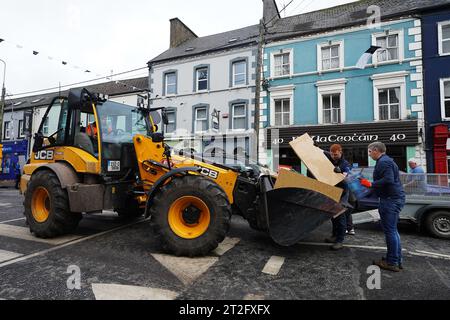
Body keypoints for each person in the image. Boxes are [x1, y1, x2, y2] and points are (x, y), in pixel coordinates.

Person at [360, 142, 405, 272]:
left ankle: (392, 262)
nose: (369, 154)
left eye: (369, 151)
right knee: (393, 231)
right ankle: (396, 259)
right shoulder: (386, 161)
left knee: (390, 231)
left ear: (375, 150)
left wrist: (370, 184)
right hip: (393, 198)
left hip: (390, 200)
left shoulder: (383, 162)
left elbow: (389, 179)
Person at [323, 144, 353, 251]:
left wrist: (340, 173)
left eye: (335, 154)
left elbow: (347, 177)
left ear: (340, 152)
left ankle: (339, 240)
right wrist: (314, 146)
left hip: (342, 193)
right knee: (333, 215)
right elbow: (322, 152)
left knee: (340, 216)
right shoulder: (330, 156)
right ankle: (334, 235)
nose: (333, 156)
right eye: (332, 154)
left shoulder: (345, 164)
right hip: (332, 191)